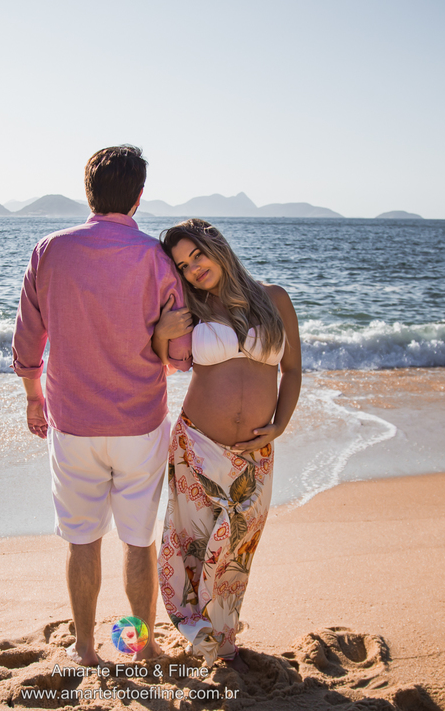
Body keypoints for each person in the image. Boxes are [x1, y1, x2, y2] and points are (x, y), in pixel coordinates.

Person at [12, 145, 192, 666]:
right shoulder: (157, 259)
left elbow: (29, 337)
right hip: (139, 423)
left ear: (88, 193)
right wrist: (161, 341)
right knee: (138, 543)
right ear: (138, 198)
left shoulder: (50, 250)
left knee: (82, 540)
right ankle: (140, 646)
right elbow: (180, 356)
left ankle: (87, 648)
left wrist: (32, 395)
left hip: (73, 424)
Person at [149, 218, 301, 672]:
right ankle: (202, 633)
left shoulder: (274, 299)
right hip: (197, 445)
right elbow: (166, 367)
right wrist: (160, 335)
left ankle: (223, 634)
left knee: (237, 549)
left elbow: (291, 370)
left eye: (197, 255)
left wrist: (281, 424)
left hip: (255, 455)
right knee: (192, 545)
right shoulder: (188, 312)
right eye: (182, 264)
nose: (193, 268)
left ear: (217, 246)